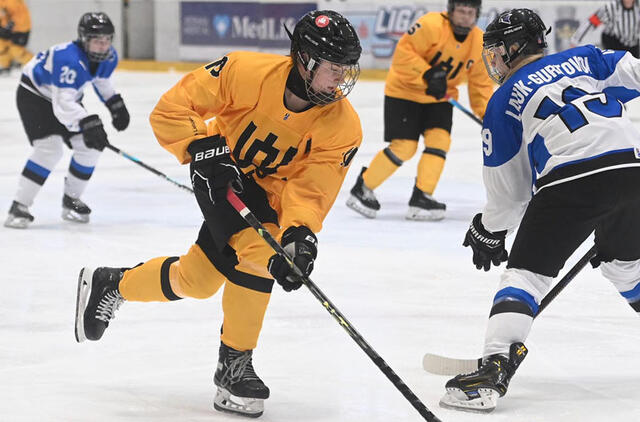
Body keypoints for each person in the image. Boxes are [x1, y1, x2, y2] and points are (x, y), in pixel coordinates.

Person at [73, 10, 362, 418]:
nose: (341, 79)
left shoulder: (343, 127)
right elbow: (171, 110)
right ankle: (233, 366)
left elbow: (311, 190)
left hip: (269, 199)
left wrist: (301, 233)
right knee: (263, 254)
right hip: (218, 173)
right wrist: (202, 147)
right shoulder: (245, 71)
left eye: (347, 69)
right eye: (334, 68)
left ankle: (113, 284)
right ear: (304, 59)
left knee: (199, 279)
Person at [440, 8, 640, 413]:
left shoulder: (504, 99)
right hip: (634, 169)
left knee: (526, 276)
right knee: (626, 265)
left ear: (514, 48)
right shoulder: (588, 57)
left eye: (496, 51)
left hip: (571, 178)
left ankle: (494, 368)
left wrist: (488, 229)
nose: (492, 60)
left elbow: (510, 195)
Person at [346, 0, 492, 221]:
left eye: (470, 13)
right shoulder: (431, 25)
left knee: (440, 141)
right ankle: (363, 187)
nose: (465, 17)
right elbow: (404, 54)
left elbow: (480, 86)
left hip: (440, 97)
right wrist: (427, 74)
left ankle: (422, 196)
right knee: (404, 147)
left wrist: (489, 116)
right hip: (404, 92)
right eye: (461, 11)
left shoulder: (478, 42)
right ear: (451, 11)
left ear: (477, 15)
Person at [4, 12, 130, 229]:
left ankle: (71, 201)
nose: (103, 46)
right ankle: (19, 206)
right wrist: (87, 121)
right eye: (98, 41)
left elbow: (101, 81)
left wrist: (115, 104)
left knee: (90, 147)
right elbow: (62, 105)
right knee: (49, 149)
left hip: (66, 97)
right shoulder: (68, 59)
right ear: (84, 39)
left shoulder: (108, 56)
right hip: (34, 97)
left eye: (107, 40)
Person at [570, 0, 640, 58]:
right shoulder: (610, 7)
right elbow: (591, 23)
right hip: (614, 42)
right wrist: (575, 40)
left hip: (633, 45)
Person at [0, 0, 33, 74]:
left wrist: (10, 25)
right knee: (1, 45)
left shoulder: (13, 2)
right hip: (5, 26)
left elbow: (18, 14)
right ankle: (6, 65)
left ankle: (34, 65)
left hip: (20, 28)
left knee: (17, 49)